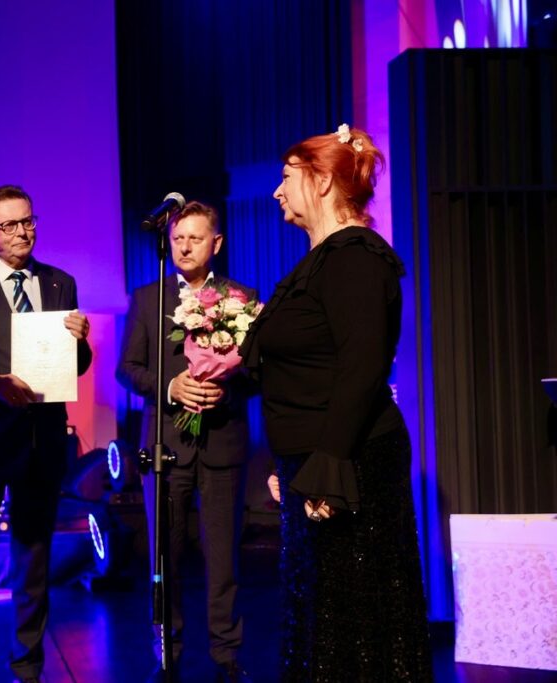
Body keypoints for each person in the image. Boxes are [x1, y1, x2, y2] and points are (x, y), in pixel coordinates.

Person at [238, 125, 432, 681]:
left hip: (351, 463)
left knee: (355, 618)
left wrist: (326, 465)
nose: (277, 191)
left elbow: (362, 367)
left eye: (287, 177)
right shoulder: (318, 261)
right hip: (317, 461)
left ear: (321, 182)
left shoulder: (356, 256)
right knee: (320, 612)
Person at [0, 184, 92, 683]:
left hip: (38, 444)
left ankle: (27, 666)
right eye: (8, 224)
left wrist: (81, 344)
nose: (22, 231)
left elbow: (72, 367)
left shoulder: (58, 282)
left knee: (33, 561)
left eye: (27, 221)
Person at [117, 201, 255, 683]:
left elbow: (257, 372)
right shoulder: (148, 298)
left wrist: (226, 384)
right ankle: (168, 648)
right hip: (167, 446)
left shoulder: (241, 299)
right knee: (165, 556)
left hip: (221, 444)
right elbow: (126, 369)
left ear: (216, 244)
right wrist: (170, 386)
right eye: (178, 238)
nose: (185, 246)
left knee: (224, 557)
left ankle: (226, 651)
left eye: (196, 238)